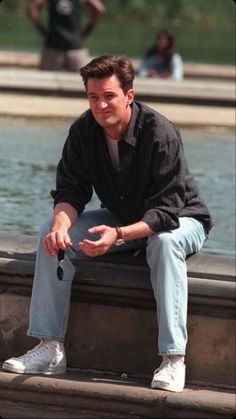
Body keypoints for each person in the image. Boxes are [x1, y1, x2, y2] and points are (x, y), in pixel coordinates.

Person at [2, 55, 212, 393]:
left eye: (109, 96)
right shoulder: (84, 131)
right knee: (50, 232)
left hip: (181, 219)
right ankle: (51, 349)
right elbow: (71, 191)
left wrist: (117, 236)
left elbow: (166, 211)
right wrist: (60, 224)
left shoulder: (160, 133)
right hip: (123, 218)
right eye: (93, 97)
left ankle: (173, 359)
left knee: (163, 242)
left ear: (129, 95)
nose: (100, 105)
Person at [28, 0, 106, 72]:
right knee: (80, 83)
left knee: (47, 82)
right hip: (76, 46)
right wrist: (87, 31)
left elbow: (32, 9)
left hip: (53, 45)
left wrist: (42, 30)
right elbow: (99, 9)